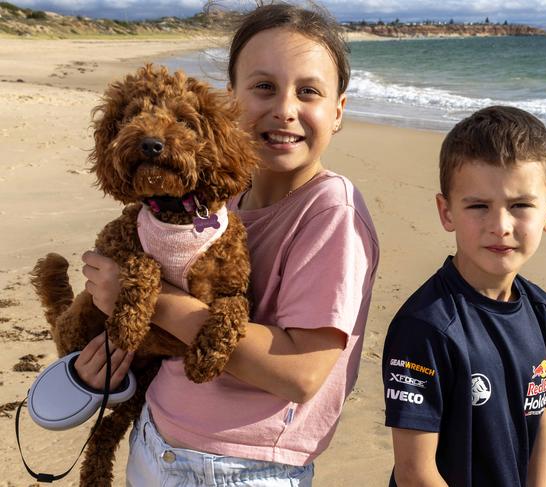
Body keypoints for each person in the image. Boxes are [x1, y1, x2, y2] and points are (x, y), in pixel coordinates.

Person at [76, 3, 379, 485]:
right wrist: (111, 365)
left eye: (308, 91)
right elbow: (170, 341)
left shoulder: (330, 213)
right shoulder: (213, 200)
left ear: (338, 110)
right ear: (228, 101)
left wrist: (145, 299)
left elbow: (300, 373)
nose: (284, 108)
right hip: (156, 434)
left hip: (241, 465)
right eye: (263, 87)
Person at [382, 106, 546, 487]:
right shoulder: (426, 327)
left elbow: (541, 417)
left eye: (520, 206)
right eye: (478, 206)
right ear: (446, 212)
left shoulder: (541, 310)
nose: (500, 226)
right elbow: (416, 471)